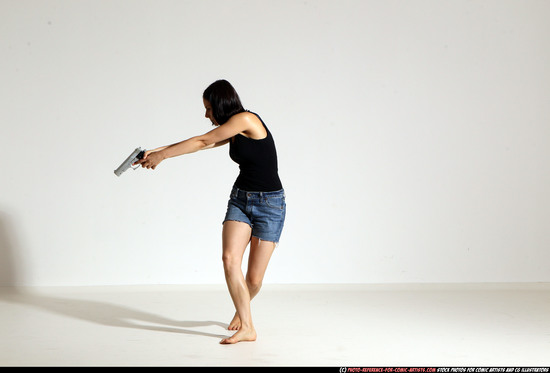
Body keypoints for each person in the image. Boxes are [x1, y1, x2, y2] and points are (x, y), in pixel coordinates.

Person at [135, 79, 286, 344]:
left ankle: (242, 311)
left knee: (253, 280)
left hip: (269, 205)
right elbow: (198, 143)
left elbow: (204, 140)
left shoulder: (246, 119)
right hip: (240, 200)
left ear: (220, 104)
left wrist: (163, 156)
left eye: (208, 108)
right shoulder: (231, 129)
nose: (206, 115)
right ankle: (248, 327)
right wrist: (155, 151)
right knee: (229, 259)